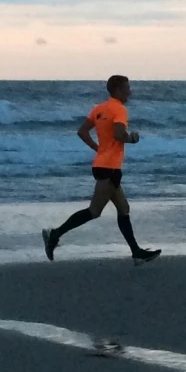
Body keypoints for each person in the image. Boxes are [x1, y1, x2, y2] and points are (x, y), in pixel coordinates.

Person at [42, 74, 160, 262]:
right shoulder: (119, 109)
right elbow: (119, 134)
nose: (130, 91)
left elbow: (82, 132)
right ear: (118, 90)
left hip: (103, 165)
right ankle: (54, 234)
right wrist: (133, 139)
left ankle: (136, 253)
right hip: (109, 168)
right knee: (94, 211)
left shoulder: (99, 109)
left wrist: (98, 148)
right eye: (127, 88)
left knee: (123, 208)